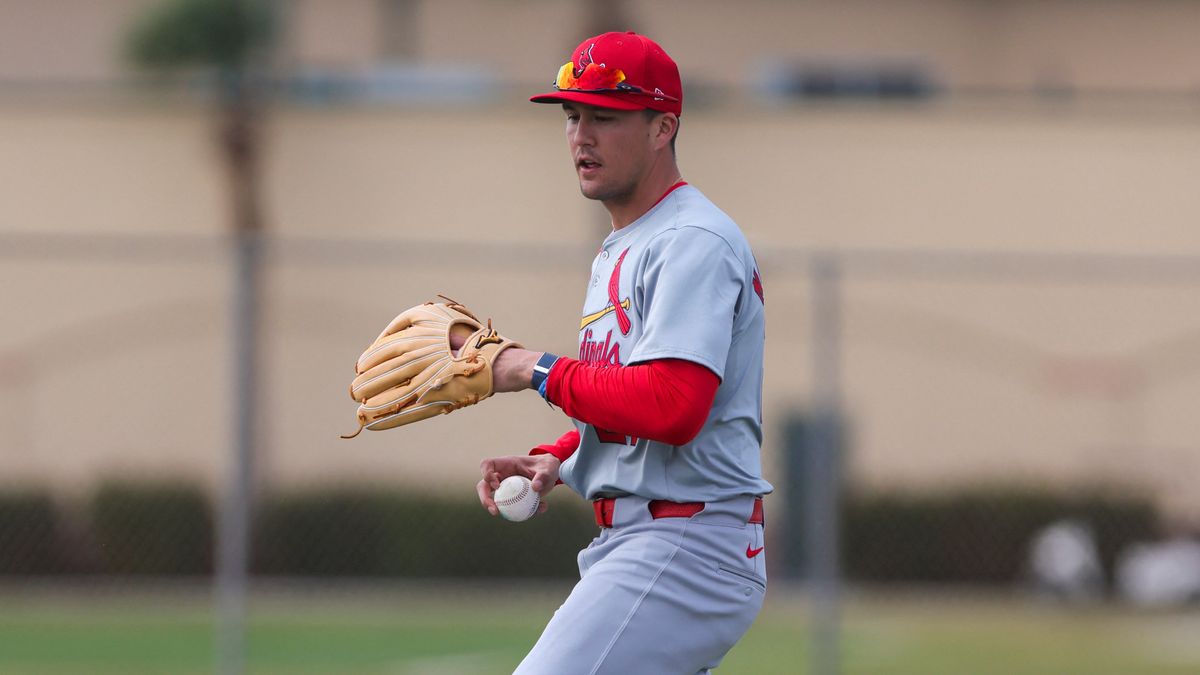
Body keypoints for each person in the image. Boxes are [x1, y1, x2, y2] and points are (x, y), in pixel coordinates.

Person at [475, 31, 772, 674]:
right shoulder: (632, 240)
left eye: (604, 116)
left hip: (686, 543)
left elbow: (672, 407)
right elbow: (637, 400)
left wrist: (534, 367)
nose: (582, 135)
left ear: (663, 126)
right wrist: (560, 457)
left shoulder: (691, 240)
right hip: (650, 537)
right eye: (572, 115)